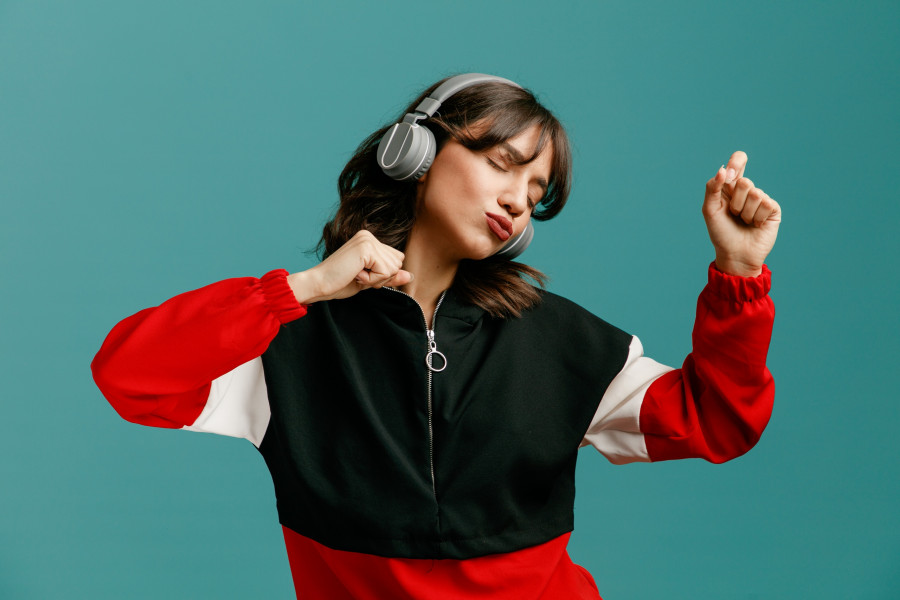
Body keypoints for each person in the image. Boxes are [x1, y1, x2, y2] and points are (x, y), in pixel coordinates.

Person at [91, 73, 781, 600]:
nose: (518, 198)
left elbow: (717, 420)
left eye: (536, 190)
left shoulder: (561, 340)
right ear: (414, 151)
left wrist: (739, 273)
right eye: (502, 162)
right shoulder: (288, 340)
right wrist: (299, 290)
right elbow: (129, 374)